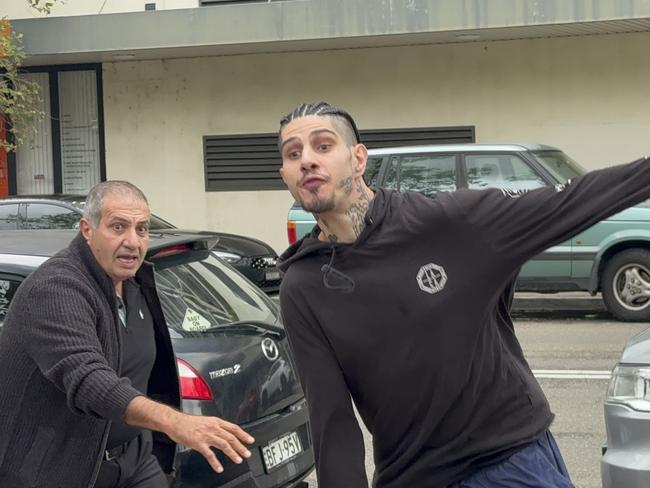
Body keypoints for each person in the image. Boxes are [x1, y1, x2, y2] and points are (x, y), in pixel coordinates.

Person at [276, 101, 650, 488]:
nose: (306, 160)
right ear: (284, 174)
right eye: (293, 153)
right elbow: (332, 426)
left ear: (358, 159)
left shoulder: (450, 223)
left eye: (322, 146)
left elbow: (571, 201)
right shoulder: (303, 288)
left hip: (509, 462)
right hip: (411, 477)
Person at [0, 181, 254, 488]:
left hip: (135, 459)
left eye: (142, 229)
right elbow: (89, 379)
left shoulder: (135, 284)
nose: (132, 241)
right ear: (86, 229)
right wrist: (175, 421)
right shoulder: (56, 289)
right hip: (61, 470)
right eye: (118, 227)